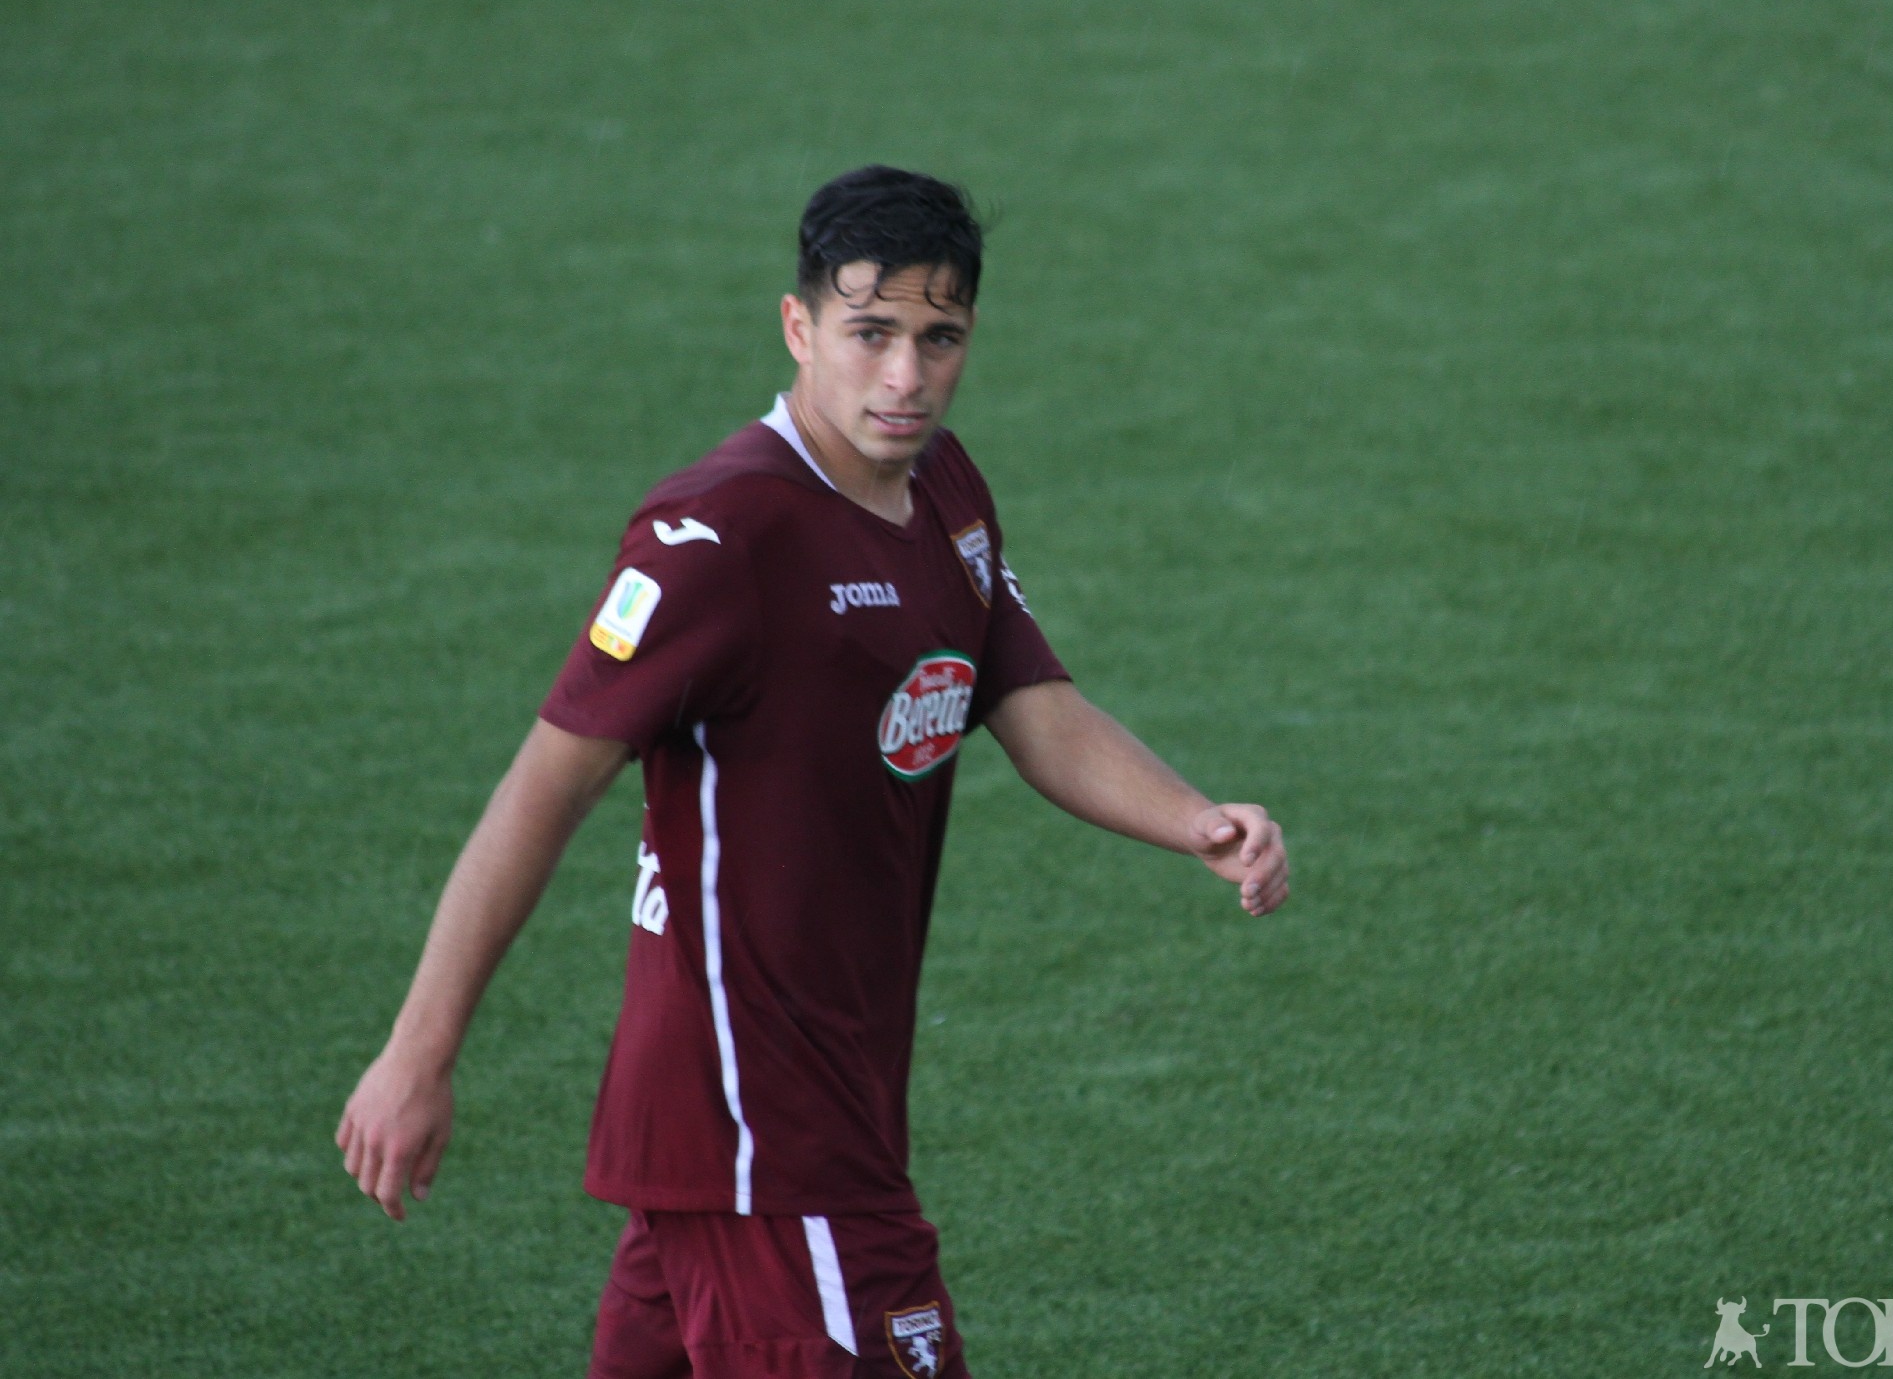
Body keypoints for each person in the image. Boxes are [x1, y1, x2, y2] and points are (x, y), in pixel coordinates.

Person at [335, 165, 1291, 1379]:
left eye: (938, 339)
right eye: (869, 333)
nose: (905, 377)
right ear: (798, 327)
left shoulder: (945, 492)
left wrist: (1195, 820)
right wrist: (419, 1055)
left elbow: (1028, 701)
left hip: (762, 1124)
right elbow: (545, 787)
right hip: (767, 1130)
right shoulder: (719, 536)